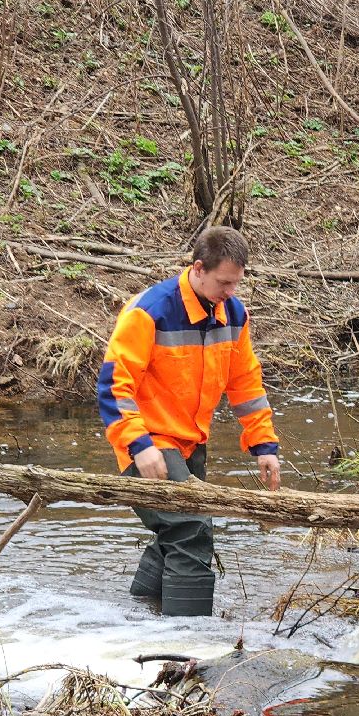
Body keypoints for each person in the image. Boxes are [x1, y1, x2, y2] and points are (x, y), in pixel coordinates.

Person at [99, 225, 281, 616]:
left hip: (191, 443)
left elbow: (246, 383)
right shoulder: (149, 311)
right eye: (224, 282)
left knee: (177, 530)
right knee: (191, 530)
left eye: (236, 283)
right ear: (198, 268)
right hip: (147, 443)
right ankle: (190, 643)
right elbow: (114, 386)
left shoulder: (233, 313)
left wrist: (264, 445)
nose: (230, 291)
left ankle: (135, 615)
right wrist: (140, 446)